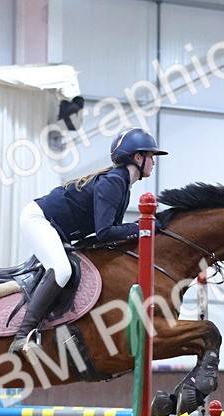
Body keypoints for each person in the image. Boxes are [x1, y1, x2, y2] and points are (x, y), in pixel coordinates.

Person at [9, 127, 168, 354]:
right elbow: (106, 232)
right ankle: (23, 336)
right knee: (62, 270)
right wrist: (144, 227)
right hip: (38, 219)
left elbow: (111, 234)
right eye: (151, 156)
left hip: (59, 228)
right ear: (138, 157)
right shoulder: (114, 182)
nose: (153, 162)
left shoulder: (122, 185)